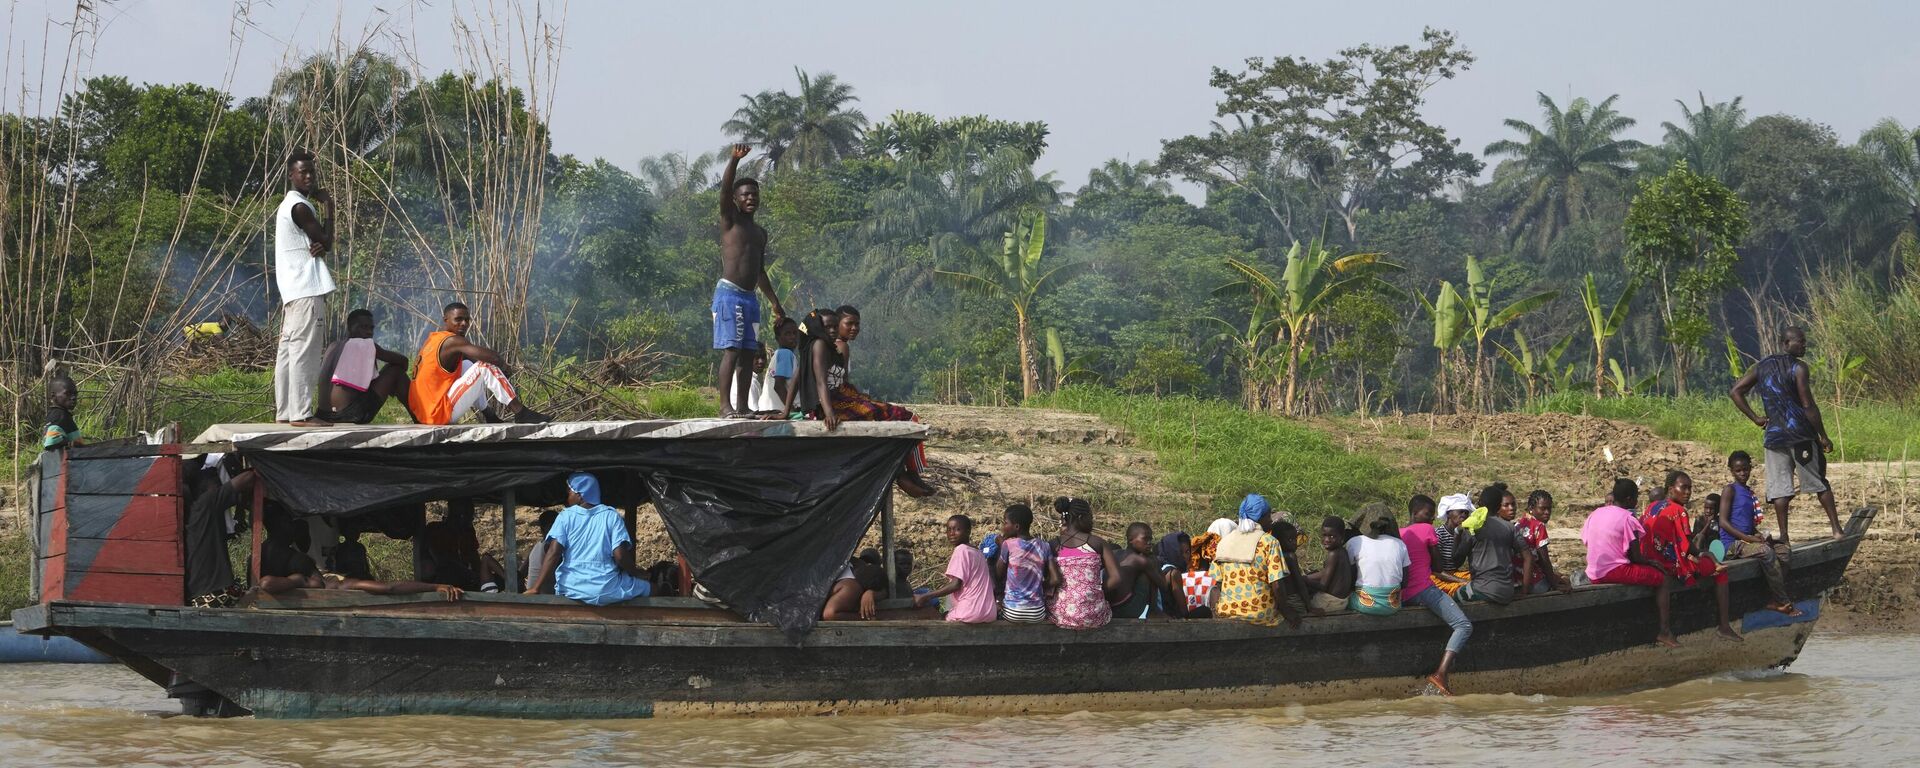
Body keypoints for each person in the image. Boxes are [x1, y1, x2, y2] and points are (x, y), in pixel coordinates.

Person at [1730, 326, 1844, 541]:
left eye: (1804, 341)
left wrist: (1756, 418)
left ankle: (1784, 537)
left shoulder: (1761, 367)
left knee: (1780, 490)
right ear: (1786, 344)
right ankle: (1836, 529)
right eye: (1800, 341)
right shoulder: (1799, 368)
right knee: (1819, 482)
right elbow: (1808, 404)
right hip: (1800, 435)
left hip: (1774, 438)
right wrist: (1823, 435)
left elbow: (1736, 391)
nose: (1804, 345)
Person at [808, 306, 934, 497]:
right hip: (833, 403)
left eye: (857, 324)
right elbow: (822, 383)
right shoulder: (833, 347)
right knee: (906, 417)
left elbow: (843, 382)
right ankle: (908, 474)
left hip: (839, 398)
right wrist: (829, 412)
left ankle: (906, 474)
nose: (854, 328)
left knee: (891, 414)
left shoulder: (836, 346)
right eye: (848, 323)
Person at [715, 143, 788, 418]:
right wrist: (734, 161)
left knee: (748, 352)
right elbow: (723, 190)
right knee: (732, 350)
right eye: (745, 195)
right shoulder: (729, 221)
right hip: (729, 294)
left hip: (749, 298)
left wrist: (775, 302)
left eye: (754, 195)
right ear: (736, 199)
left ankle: (744, 407)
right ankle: (726, 407)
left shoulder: (760, 232)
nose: (751, 199)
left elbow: (760, 271)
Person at [273, 150, 337, 427]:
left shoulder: (289, 205)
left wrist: (321, 243)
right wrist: (330, 207)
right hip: (306, 290)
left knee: (288, 352)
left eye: (311, 172)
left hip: (293, 291)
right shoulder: (300, 206)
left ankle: (285, 412)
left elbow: (319, 243)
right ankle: (301, 414)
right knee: (305, 353)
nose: (309, 177)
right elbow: (327, 241)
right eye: (303, 172)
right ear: (291, 175)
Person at [407, 302, 549, 425]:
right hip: (437, 415)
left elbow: (473, 362)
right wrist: (504, 366)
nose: (464, 323)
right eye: (458, 319)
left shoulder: (433, 340)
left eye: (467, 320)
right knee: (484, 366)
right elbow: (492, 358)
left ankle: (490, 415)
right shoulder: (453, 341)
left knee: (469, 365)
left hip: (424, 414)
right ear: (446, 320)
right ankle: (521, 412)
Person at [524, 472, 652, 606]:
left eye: (570, 493)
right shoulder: (611, 516)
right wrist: (636, 573)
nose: (567, 497)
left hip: (571, 588)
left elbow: (553, 552)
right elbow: (620, 556)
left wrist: (535, 588)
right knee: (653, 589)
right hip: (606, 589)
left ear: (580, 495)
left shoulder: (565, 516)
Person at [1583, 478, 1682, 648]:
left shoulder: (1596, 513)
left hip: (1593, 571)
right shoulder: (1627, 518)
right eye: (1636, 497)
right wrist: (1652, 563)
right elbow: (1636, 557)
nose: (1637, 501)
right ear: (1629, 499)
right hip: (1612, 571)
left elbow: (1586, 541)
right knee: (1663, 578)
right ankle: (1665, 630)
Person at [1643, 471, 1741, 640]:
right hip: (1669, 565)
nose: (1688, 492)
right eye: (1684, 488)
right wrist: (1706, 554)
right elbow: (1687, 547)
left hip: (1649, 562)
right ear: (1671, 488)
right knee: (1721, 571)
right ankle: (1724, 626)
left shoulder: (1652, 506)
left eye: (1690, 488)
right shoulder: (1679, 511)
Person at [1399, 498, 1474, 696]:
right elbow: (1438, 567)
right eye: (1427, 514)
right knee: (1464, 625)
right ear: (1414, 513)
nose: (1431, 518)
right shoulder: (1427, 530)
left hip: (1403, 594)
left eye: (1432, 514)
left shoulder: (1399, 533)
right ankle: (1441, 673)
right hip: (1423, 590)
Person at [1719, 450, 1799, 616]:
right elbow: (1723, 522)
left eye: (1745, 469)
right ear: (1731, 471)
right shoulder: (1730, 490)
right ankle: (1783, 602)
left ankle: (1772, 596)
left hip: (1747, 540)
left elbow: (1747, 524)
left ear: (1750, 468)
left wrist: (1759, 536)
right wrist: (1748, 538)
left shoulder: (1749, 492)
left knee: (1783, 551)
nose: (1742, 473)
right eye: (1738, 470)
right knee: (1765, 551)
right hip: (1731, 544)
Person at [1207, 494, 1302, 628]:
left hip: (1228, 612)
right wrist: (1287, 611)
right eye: (1269, 516)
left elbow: (1219, 582)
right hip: (1260, 614)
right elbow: (1277, 585)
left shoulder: (1225, 541)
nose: (1270, 521)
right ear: (1260, 518)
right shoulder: (1269, 542)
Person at [315, 308, 412, 424]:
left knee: (386, 371)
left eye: (371, 328)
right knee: (395, 371)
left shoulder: (332, 346)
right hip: (346, 415)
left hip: (322, 414)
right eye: (363, 327)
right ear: (350, 328)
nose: (369, 332)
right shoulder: (364, 344)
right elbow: (403, 361)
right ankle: (420, 419)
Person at [185, 465, 256, 607]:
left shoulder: (195, 512)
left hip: (201, 594)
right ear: (204, 489)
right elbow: (249, 478)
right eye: (216, 485)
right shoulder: (206, 503)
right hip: (212, 594)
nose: (218, 488)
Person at [1048, 497, 1119, 630]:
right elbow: (1116, 578)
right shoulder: (1098, 542)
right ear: (1081, 517)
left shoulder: (1054, 545)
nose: (1092, 521)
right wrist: (1095, 592)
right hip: (1094, 615)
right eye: (1090, 517)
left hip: (1061, 615)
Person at [914, 515, 997, 623]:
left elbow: (955, 585)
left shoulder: (961, 550)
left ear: (968, 531)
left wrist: (925, 596)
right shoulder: (978, 552)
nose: (952, 533)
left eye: (957, 529)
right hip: (989, 612)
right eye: (949, 529)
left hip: (970, 612)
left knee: (934, 617)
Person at [1465, 483, 1528, 605]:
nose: (1511, 508)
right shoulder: (1510, 528)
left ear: (1480, 504)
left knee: (1454, 598)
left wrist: (1458, 534)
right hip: (1507, 592)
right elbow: (1528, 557)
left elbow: (1457, 557)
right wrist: (1525, 590)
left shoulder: (1473, 527)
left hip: (1483, 589)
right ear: (1499, 506)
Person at [993, 504, 1054, 623]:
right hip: (1037, 612)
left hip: (1012, 612)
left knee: (990, 565)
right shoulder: (1044, 546)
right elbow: (1056, 578)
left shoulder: (1008, 545)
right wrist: (1039, 586)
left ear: (1016, 526)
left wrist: (1001, 545)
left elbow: (998, 574)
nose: (1003, 527)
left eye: (1006, 523)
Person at [1346, 512, 1410, 616]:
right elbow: (1405, 582)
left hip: (1364, 605)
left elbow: (1350, 579)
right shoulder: (1399, 543)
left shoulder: (1354, 542)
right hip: (1392, 605)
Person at [1109, 522, 1172, 619]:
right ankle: (1153, 611)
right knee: (1148, 572)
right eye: (1145, 539)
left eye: (1150, 539)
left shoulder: (1114, 553)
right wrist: (1153, 560)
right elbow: (1163, 585)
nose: (1149, 543)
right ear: (1131, 539)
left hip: (1108, 607)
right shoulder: (1140, 560)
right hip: (1126, 610)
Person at [1517, 490, 1572, 595]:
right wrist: (1554, 584)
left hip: (1517, 578)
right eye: (1542, 508)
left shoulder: (1520, 523)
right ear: (1531, 508)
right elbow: (1544, 560)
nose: (1547, 512)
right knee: (1566, 582)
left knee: (1557, 575)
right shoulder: (1539, 526)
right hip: (1532, 582)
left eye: (1549, 508)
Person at [1301, 515, 1355, 614]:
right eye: (1324, 535)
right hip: (1341, 600)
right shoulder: (1342, 551)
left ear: (1342, 536)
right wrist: (1308, 577)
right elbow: (1326, 572)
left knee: (1300, 596)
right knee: (1311, 576)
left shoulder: (1333, 554)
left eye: (1332, 536)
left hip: (1330, 603)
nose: (1327, 539)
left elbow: (1323, 586)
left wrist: (1304, 579)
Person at [822, 559, 887, 620]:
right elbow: (829, 614)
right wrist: (864, 618)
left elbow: (884, 592)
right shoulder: (853, 587)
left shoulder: (853, 563)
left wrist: (870, 593)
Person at [1155, 532, 1196, 619]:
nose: (1185, 556)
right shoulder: (1174, 573)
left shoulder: (1158, 567)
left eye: (1187, 552)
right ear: (1171, 552)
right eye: (1180, 552)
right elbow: (1183, 610)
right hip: (1169, 619)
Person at [766, 317, 801, 417]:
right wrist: (790, 410)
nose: (793, 337)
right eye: (787, 334)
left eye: (795, 333)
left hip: (770, 408)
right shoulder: (786, 353)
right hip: (779, 411)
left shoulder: (778, 354)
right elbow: (778, 385)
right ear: (778, 338)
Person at [522, 509, 562, 594]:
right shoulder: (550, 546)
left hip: (532, 591)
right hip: (544, 594)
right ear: (549, 526)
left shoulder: (537, 546)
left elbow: (522, 571)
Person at [42, 375, 82, 450]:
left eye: (75, 394)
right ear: (53, 396)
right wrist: (71, 444)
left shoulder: (59, 414)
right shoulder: (59, 416)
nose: (73, 397)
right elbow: (51, 442)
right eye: (68, 394)